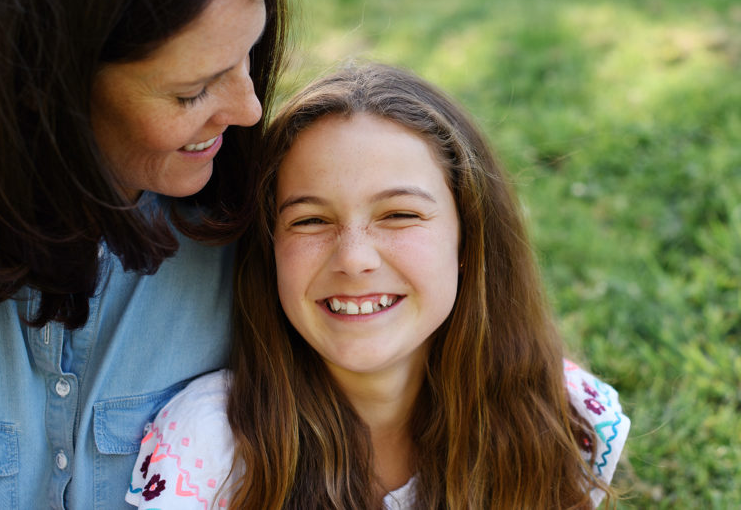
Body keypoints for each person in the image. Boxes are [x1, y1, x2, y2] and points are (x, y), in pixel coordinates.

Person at [127, 62, 630, 509]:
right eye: (309, 221)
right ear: (270, 248)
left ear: (467, 240)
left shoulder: (566, 418)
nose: (354, 258)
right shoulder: (208, 449)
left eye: (399, 214)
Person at [0, 0, 290, 508]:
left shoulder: (267, 238)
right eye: (191, 91)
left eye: (248, 54)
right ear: (41, 84)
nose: (250, 110)